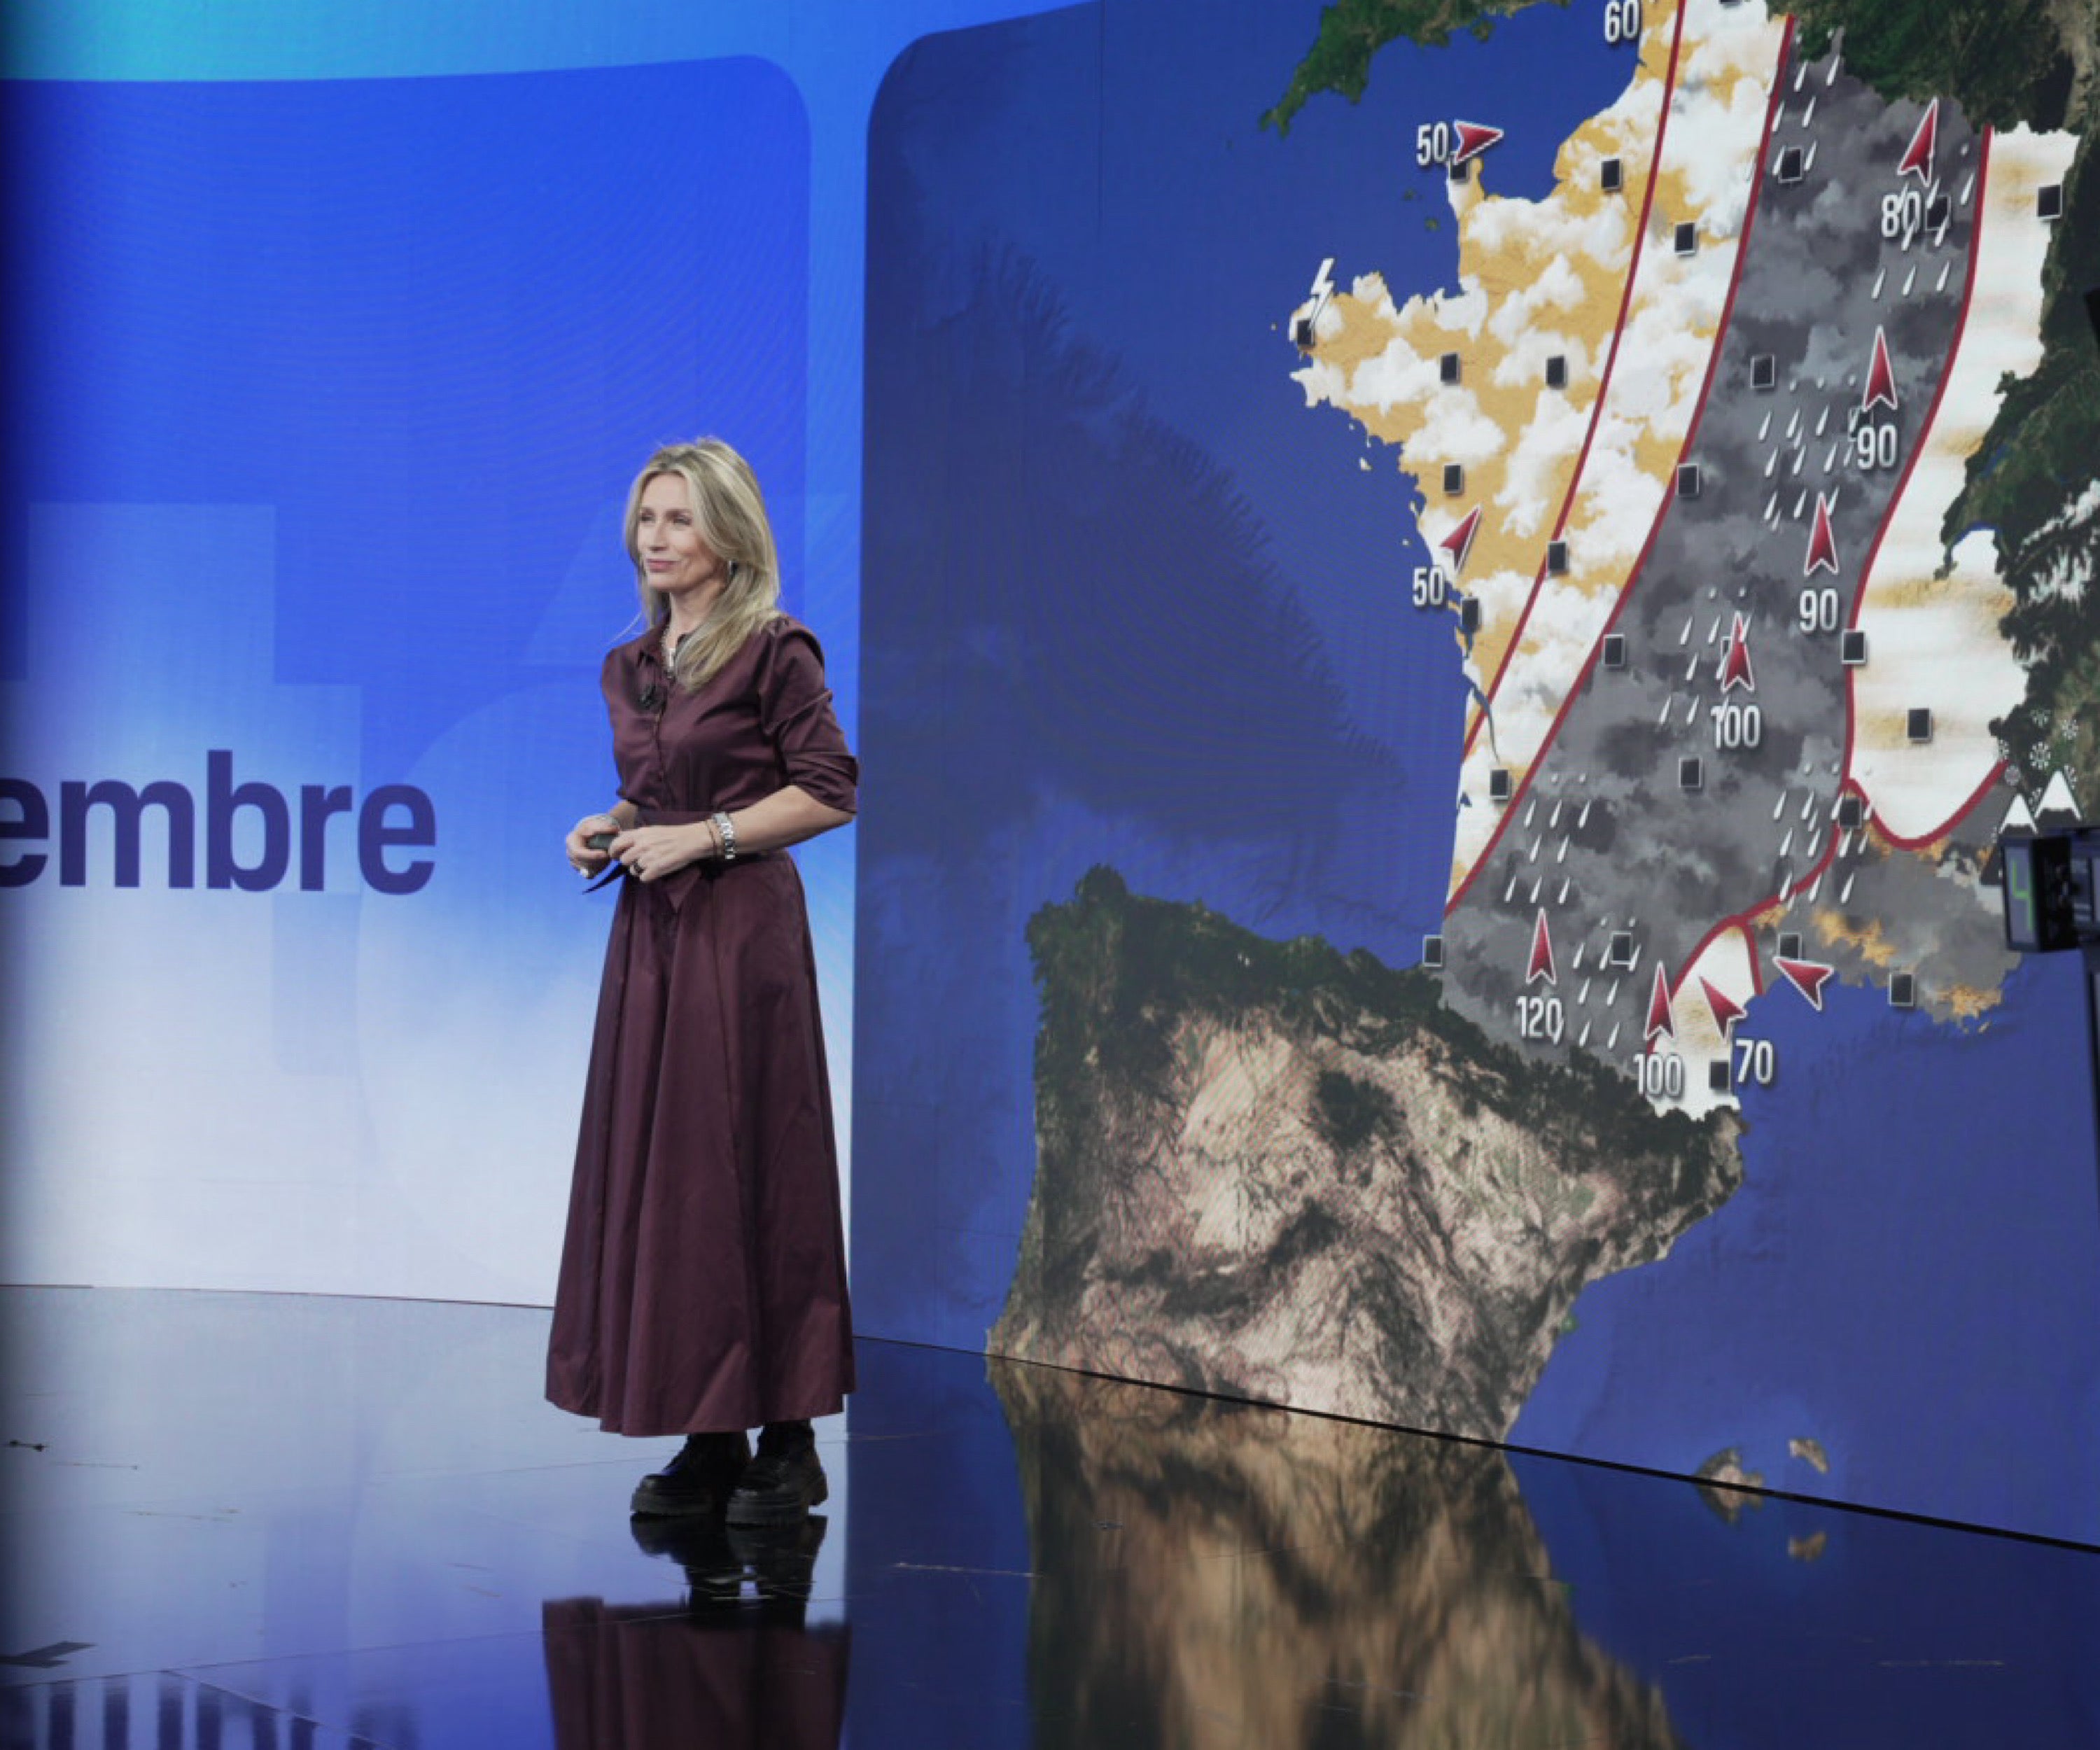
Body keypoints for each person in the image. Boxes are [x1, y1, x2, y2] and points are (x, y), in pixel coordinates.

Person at [547, 438, 858, 1526]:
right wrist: (619, 824)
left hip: (741, 943)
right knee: (677, 1186)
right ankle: (710, 1435)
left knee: (753, 1171)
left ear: (729, 535)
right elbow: (659, 786)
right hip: (654, 939)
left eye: (679, 520)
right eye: (647, 520)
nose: (657, 538)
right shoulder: (629, 665)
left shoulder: (776, 652)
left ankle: (791, 1439)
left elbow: (828, 791)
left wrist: (706, 839)